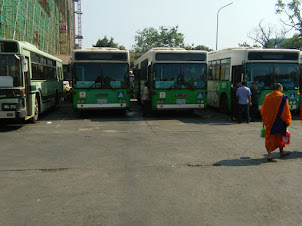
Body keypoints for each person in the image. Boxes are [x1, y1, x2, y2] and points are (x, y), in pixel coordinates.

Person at [261, 83, 292, 162]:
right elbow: (286, 111)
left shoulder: (267, 97)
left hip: (270, 121)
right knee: (280, 136)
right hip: (280, 121)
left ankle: (269, 155)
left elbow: (263, 110)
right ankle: (281, 151)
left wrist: (265, 120)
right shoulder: (283, 97)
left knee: (270, 137)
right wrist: (287, 120)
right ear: (279, 88)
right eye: (281, 88)